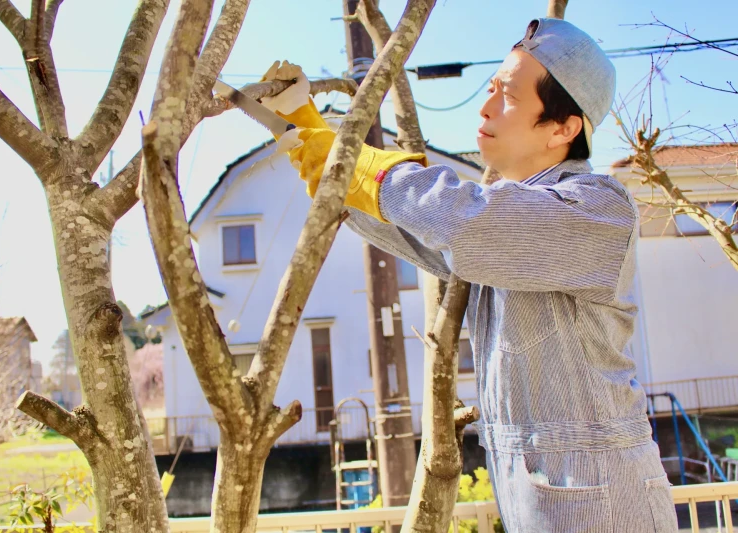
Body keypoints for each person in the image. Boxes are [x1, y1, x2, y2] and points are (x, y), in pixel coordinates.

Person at [260, 18, 677, 533]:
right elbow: (421, 233)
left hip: (609, 506)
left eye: (507, 94)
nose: (485, 106)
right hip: (545, 498)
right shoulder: (509, 224)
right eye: (491, 88)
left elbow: (465, 222)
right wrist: (312, 141)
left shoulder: (597, 208)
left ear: (563, 128)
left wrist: (352, 162)